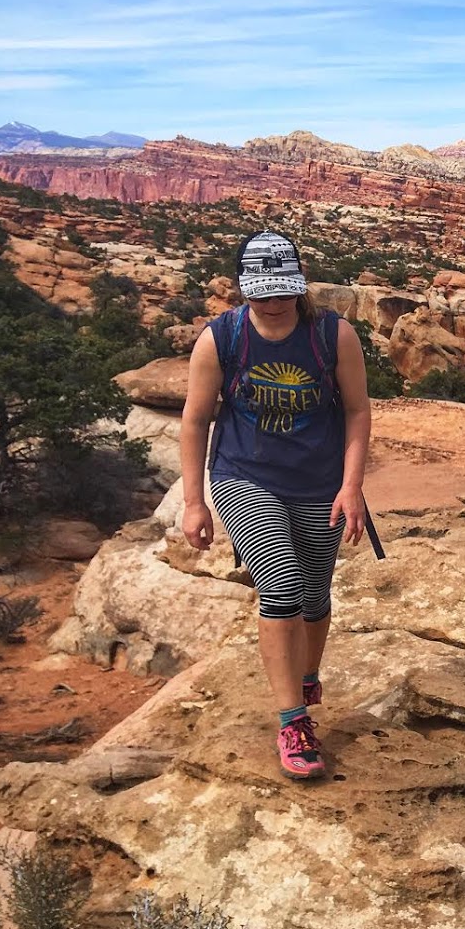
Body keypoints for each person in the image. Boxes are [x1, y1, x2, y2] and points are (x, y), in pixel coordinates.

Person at [179, 230, 372, 780]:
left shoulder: (333, 336)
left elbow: (357, 411)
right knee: (282, 583)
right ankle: (293, 721)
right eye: (262, 291)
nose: (273, 301)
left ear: (299, 285)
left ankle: (307, 674)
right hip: (245, 475)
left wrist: (351, 485)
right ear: (244, 289)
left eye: (282, 290)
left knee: (315, 594)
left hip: (317, 479)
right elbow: (196, 420)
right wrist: (194, 501)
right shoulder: (222, 339)